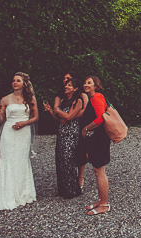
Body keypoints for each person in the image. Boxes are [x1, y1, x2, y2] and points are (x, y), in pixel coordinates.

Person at [0, 72, 39, 211]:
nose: (15, 83)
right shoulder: (4, 99)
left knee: (21, 160)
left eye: (18, 80)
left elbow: (36, 117)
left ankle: (22, 193)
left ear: (24, 84)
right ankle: (7, 195)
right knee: (8, 160)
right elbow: (1, 119)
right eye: (13, 80)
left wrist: (24, 123)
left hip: (24, 132)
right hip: (9, 132)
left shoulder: (30, 99)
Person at [43, 77, 86, 198]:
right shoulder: (63, 101)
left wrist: (57, 109)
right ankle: (63, 189)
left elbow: (69, 117)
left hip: (71, 133)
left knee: (68, 160)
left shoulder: (77, 101)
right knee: (60, 160)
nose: (66, 87)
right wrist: (51, 110)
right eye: (66, 85)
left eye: (70, 85)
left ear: (75, 88)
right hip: (61, 133)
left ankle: (72, 190)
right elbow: (59, 119)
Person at [80, 75, 112, 215]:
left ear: (96, 85)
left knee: (100, 171)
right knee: (96, 170)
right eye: (85, 83)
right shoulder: (93, 98)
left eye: (89, 83)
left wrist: (86, 128)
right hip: (95, 139)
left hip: (99, 139)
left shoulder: (97, 97)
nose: (86, 85)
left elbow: (100, 118)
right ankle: (101, 199)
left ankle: (104, 204)